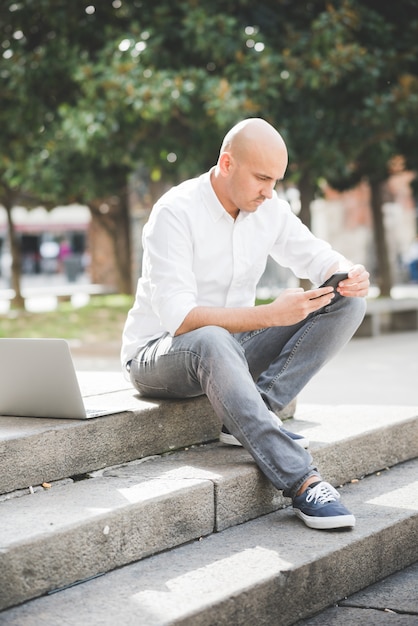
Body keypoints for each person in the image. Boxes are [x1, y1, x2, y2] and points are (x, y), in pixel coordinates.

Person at [121, 118, 370, 530]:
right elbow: (181, 319)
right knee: (212, 339)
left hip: (232, 349)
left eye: (275, 181)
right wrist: (268, 315)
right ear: (227, 162)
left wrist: (348, 271)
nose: (269, 192)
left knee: (346, 301)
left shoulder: (269, 208)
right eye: (261, 178)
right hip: (160, 355)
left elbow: (317, 257)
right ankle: (302, 479)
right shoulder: (175, 212)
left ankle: (258, 409)